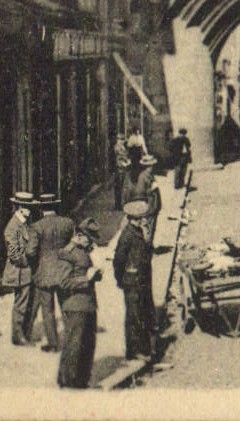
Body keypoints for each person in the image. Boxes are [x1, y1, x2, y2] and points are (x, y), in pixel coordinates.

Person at [55, 217, 103, 388]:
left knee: (87, 344)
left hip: (87, 304)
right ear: (79, 235)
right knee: (75, 345)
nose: (91, 243)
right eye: (89, 239)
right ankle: (70, 382)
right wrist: (86, 279)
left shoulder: (82, 251)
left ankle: (81, 381)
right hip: (75, 305)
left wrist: (95, 275)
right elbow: (64, 282)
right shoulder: (67, 253)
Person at [27, 193, 75, 353]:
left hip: (45, 273)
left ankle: (53, 344)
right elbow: (74, 245)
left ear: (41, 209)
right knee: (66, 305)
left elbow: (31, 252)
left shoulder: (37, 226)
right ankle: (72, 340)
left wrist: (36, 264)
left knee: (48, 310)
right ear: (56, 206)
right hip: (64, 271)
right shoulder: (68, 223)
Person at [112, 199, 156, 362]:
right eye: (139, 218)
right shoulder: (127, 235)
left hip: (141, 280)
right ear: (131, 219)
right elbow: (118, 260)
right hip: (132, 281)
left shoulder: (138, 232)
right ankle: (134, 351)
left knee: (141, 313)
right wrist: (121, 280)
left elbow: (145, 253)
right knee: (134, 316)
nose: (143, 221)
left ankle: (143, 348)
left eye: (142, 218)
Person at [2, 191, 38, 346]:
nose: (29, 210)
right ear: (19, 207)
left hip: (26, 271)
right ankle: (18, 336)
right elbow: (13, 254)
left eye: (30, 207)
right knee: (21, 304)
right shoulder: (13, 226)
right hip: (19, 271)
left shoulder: (24, 223)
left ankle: (23, 332)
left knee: (27, 302)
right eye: (26, 207)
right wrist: (28, 261)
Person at [171, 127, 193, 191]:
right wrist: (175, 154)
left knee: (183, 171)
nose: (183, 135)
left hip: (185, 157)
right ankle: (177, 185)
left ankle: (181, 184)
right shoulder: (175, 140)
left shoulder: (186, 139)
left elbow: (189, 146)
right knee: (178, 171)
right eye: (182, 134)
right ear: (179, 134)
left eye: (184, 134)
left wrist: (189, 157)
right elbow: (171, 148)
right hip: (178, 158)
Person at [112, 134, 130, 209]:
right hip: (119, 168)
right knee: (118, 187)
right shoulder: (117, 147)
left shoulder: (122, 147)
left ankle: (118, 203)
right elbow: (121, 156)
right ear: (117, 140)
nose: (121, 141)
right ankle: (118, 205)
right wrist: (127, 161)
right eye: (120, 140)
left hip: (122, 168)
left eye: (122, 140)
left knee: (120, 186)